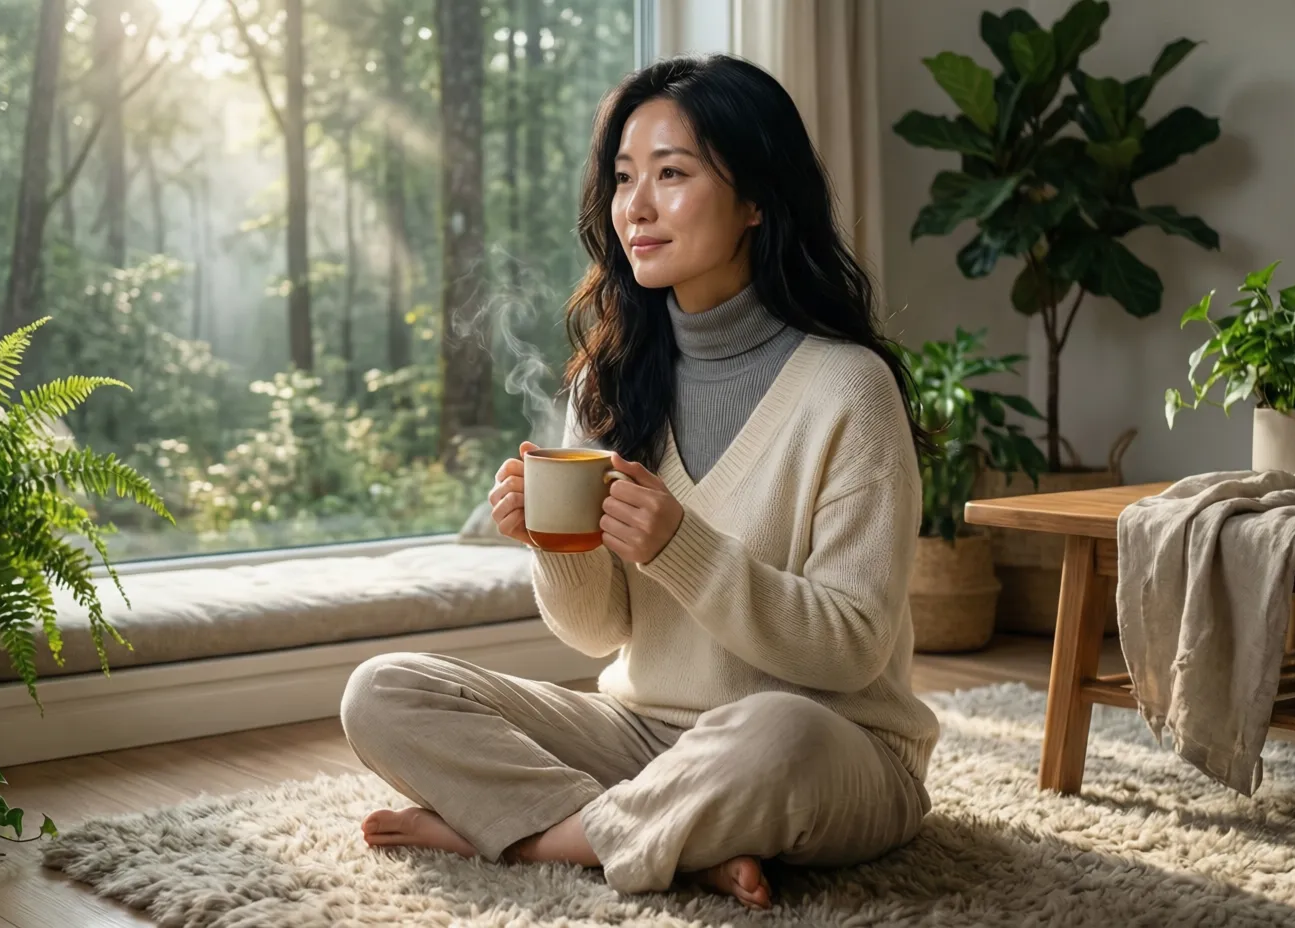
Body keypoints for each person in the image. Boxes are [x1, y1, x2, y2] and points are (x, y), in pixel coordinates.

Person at [340, 53, 938, 911]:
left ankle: (545, 838)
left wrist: (678, 546)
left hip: (832, 744)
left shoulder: (848, 390)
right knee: (384, 691)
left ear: (756, 199)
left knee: (779, 732)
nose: (637, 207)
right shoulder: (611, 379)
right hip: (642, 735)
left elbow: (848, 650)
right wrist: (560, 546)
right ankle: (675, 840)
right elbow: (594, 634)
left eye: (672, 173)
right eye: (624, 178)